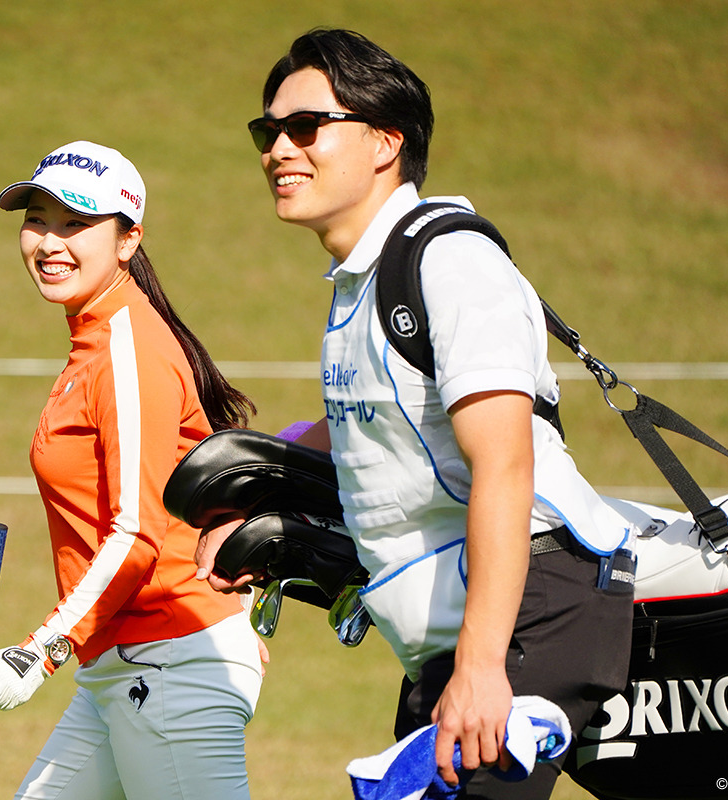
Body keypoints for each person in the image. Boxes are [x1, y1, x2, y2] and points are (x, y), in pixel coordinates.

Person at [193, 29, 634, 799]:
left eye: (306, 128)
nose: (279, 151)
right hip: (458, 630)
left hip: (527, 612)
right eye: (269, 132)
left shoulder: (449, 262)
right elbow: (363, 425)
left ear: (384, 142)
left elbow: (505, 466)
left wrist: (483, 666)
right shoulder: (358, 283)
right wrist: (263, 487)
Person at [0, 140, 265, 800]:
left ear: (128, 241)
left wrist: (40, 652)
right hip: (124, 667)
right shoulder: (96, 340)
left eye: (76, 223)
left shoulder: (128, 346)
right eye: (37, 219)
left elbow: (135, 534)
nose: (49, 241)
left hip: (170, 665)